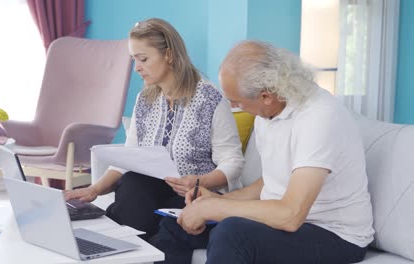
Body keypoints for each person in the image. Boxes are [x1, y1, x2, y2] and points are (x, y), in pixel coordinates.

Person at [151, 40, 375, 264]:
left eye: (236, 102)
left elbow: (291, 215)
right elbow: (271, 181)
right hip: (279, 221)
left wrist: (216, 207)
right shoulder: (267, 113)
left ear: (266, 96)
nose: (233, 108)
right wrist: (215, 201)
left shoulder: (319, 117)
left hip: (335, 236)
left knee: (232, 234)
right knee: (175, 222)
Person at [64, 18, 244, 240]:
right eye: (134, 60)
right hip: (150, 195)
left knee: (136, 207)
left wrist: (199, 181)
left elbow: (232, 162)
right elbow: (128, 159)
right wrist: (95, 189)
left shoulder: (210, 99)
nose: (137, 67)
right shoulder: (145, 100)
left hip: (194, 195)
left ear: (168, 55)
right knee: (132, 183)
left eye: (143, 59)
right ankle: (129, 245)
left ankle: (129, 243)